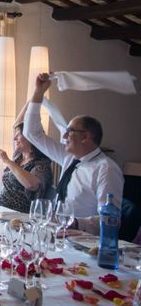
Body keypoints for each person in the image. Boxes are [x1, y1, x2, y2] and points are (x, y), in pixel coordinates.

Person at [24, 72, 124, 234]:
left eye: (70, 131)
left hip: (82, 242)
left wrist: (74, 223)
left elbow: (110, 220)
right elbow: (32, 134)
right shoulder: (69, 158)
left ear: (85, 137)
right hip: (57, 234)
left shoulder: (106, 169)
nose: (64, 136)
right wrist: (38, 93)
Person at [0, 116, 52, 214]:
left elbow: (31, 184)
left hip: (19, 216)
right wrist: (30, 103)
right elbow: (16, 124)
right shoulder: (19, 156)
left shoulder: (42, 164)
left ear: (30, 137)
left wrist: (7, 161)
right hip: (1, 209)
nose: (14, 138)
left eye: (18, 134)